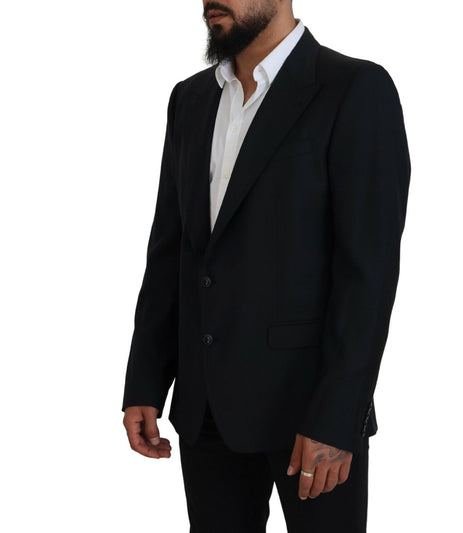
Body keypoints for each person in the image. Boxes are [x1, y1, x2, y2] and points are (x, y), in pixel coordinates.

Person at [122, 1, 411, 531]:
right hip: (206, 408)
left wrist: (338, 416)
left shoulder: (354, 88)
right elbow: (170, 249)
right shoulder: (190, 99)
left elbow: (368, 274)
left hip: (309, 411)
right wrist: (145, 379)